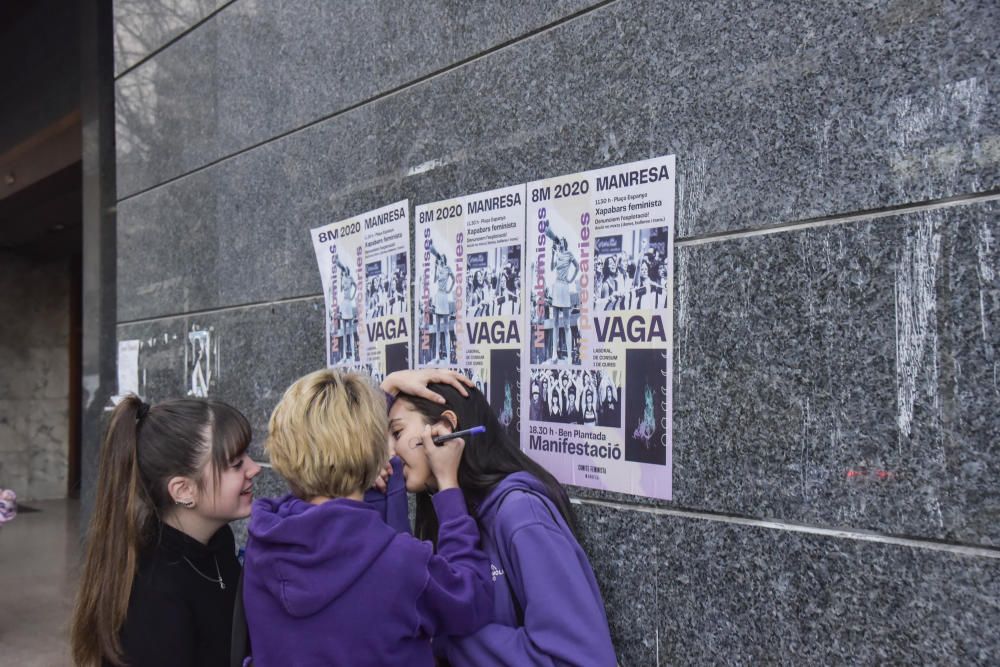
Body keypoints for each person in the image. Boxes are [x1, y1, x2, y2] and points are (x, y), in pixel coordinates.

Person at [242, 370, 493, 666]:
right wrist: (449, 489)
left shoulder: (264, 542)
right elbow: (470, 599)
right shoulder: (400, 563)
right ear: (376, 452)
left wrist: (383, 392)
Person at [387, 384, 616, 666]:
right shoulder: (451, 511)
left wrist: (445, 637)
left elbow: (575, 658)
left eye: (396, 433)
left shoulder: (521, 515)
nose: (390, 452)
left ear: (444, 429)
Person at [70, 395, 261, 667]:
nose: (254, 469)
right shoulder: (154, 595)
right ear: (184, 490)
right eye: (235, 463)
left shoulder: (217, 541)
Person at [546, 228, 579, 364]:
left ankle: (570, 356)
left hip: (564, 287)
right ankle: (554, 354)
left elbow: (577, 267)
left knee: (566, 324)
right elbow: (551, 268)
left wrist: (571, 280)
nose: (559, 243)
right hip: (556, 287)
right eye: (558, 242)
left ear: (565, 243)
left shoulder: (569, 254)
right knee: (555, 323)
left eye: (561, 241)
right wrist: (553, 253)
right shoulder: (558, 254)